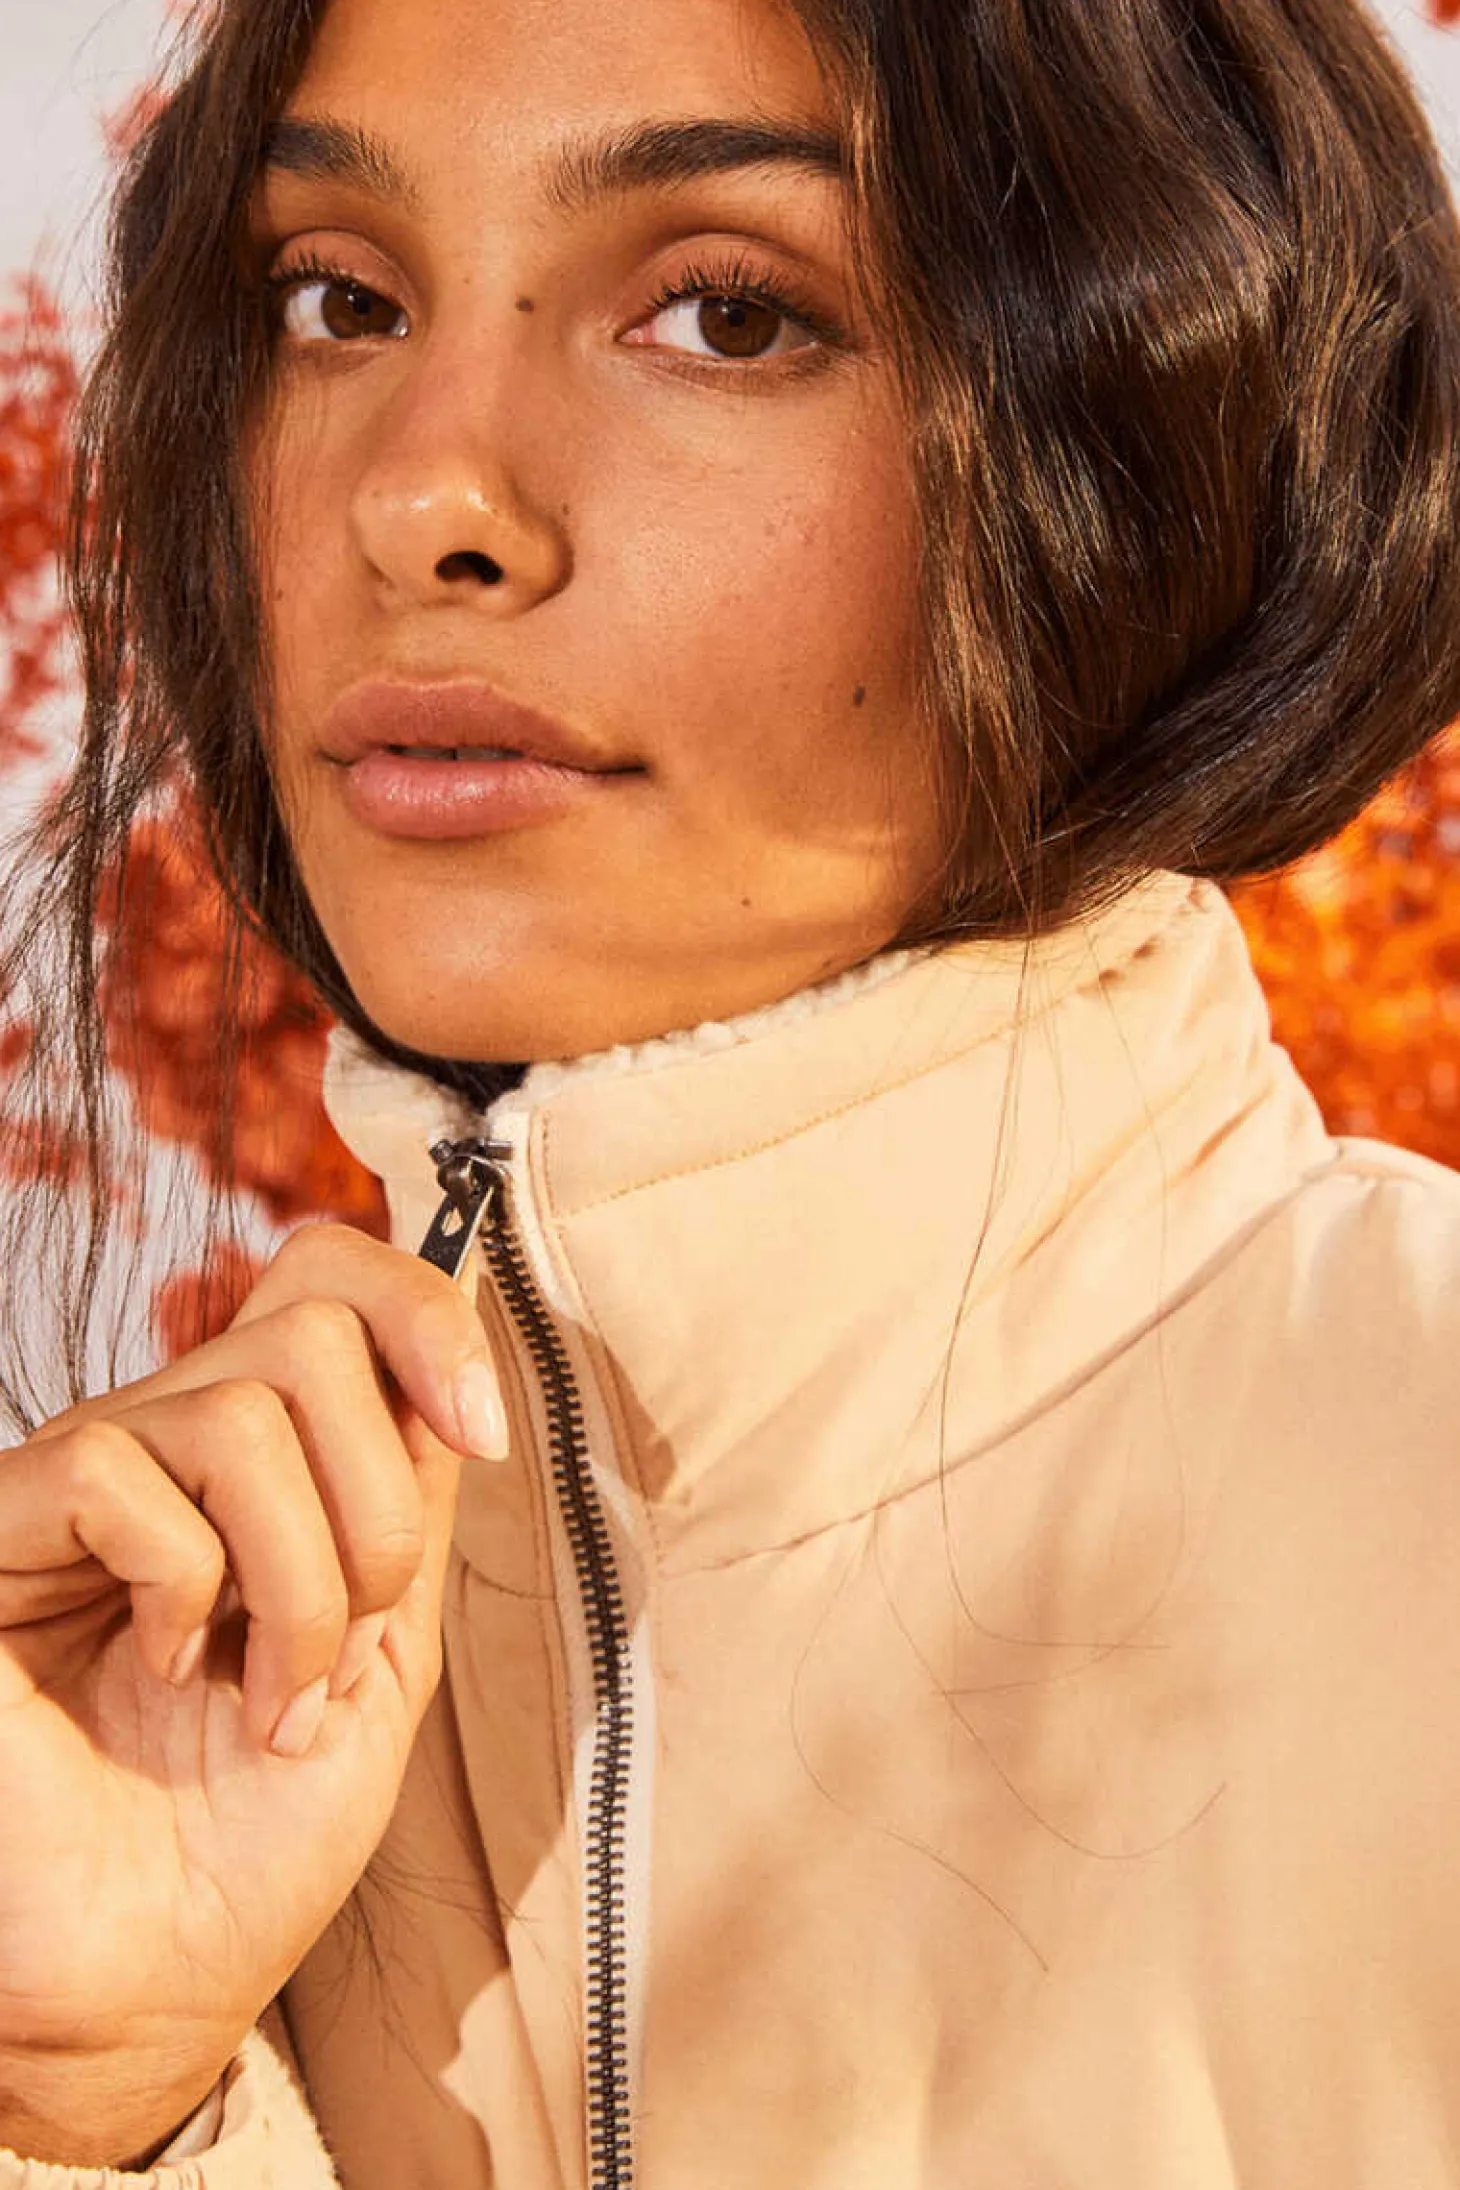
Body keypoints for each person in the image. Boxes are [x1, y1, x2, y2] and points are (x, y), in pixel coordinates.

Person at [1, 0, 1460, 2180]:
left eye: (726, 314)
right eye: (339, 301)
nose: (424, 496)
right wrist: (96, 2110)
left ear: (1147, 437)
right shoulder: (138, 1691)